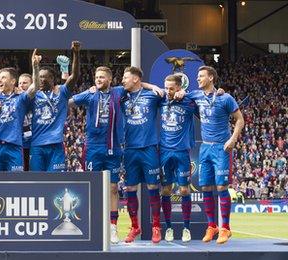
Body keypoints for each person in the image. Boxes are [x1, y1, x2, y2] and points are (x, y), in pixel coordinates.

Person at [184, 66, 244, 244]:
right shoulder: (196, 95)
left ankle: (225, 228)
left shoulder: (225, 98)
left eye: (201, 76)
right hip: (205, 148)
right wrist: (178, 94)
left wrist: (233, 139)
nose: (198, 78)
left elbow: (240, 120)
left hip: (221, 148)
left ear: (211, 78)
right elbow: (179, 95)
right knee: (205, 188)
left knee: (221, 187)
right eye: (197, 76)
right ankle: (212, 226)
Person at [69, 66, 125, 243]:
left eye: (102, 77)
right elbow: (68, 101)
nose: (98, 79)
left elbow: (137, 84)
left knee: (113, 188)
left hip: (113, 146)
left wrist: (153, 87)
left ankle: (113, 227)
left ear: (110, 79)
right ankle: (91, 225)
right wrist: (84, 89)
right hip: (93, 147)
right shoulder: (90, 94)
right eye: (96, 76)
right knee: (92, 187)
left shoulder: (118, 92)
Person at [119, 66, 163, 243]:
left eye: (125, 77)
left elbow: (172, 93)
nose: (122, 80)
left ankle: (156, 227)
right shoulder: (121, 96)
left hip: (149, 147)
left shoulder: (153, 95)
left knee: (153, 188)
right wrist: (146, 84)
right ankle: (135, 227)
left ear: (135, 79)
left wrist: (151, 87)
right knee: (130, 189)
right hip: (130, 149)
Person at [0, 52, 39, 172]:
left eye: (3, 78)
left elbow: (34, 87)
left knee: (16, 185)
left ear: (13, 81)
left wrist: (35, 67)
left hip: (14, 147)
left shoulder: (20, 98)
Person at [29, 41, 80, 172]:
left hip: (56, 145)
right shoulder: (33, 94)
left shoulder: (62, 92)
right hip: (37, 145)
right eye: (39, 77)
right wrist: (34, 66)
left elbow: (74, 76)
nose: (40, 80)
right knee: (36, 181)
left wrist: (76, 53)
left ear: (52, 79)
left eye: (44, 77)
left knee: (55, 181)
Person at [158, 74, 197, 243]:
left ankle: (186, 228)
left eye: (171, 88)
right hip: (165, 151)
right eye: (166, 87)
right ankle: (168, 228)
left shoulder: (188, 102)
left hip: (182, 151)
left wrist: (186, 93)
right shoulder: (161, 100)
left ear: (179, 88)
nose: (168, 91)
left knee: (184, 190)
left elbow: (205, 96)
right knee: (165, 190)